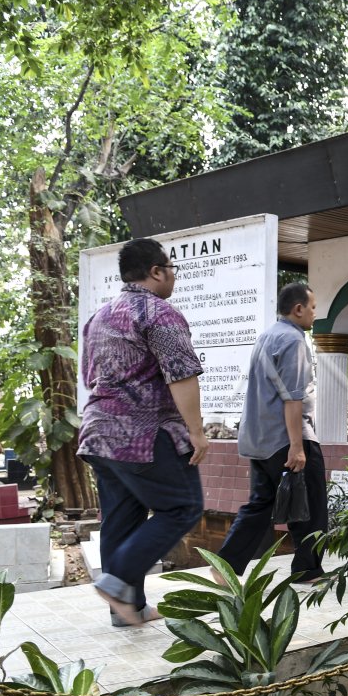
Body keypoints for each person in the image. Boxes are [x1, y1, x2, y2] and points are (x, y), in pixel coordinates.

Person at [78, 238, 208, 627]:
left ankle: (128, 609)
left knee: (121, 516)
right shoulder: (159, 313)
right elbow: (181, 375)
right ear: (156, 271)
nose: (173, 276)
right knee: (184, 506)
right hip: (143, 434)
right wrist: (197, 433)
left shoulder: (98, 318)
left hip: (98, 434)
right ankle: (117, 581)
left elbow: (89, 376)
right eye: (171, 269)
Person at [216, 282, 328, 583]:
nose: (315, 314)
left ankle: (224, 566)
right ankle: (308, 570)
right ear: (299, 309)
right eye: (313, 307)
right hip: (286, 437)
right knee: (313, 504)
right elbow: (292, 398)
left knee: (261, 504)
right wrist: (297, 446)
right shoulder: (294, 340)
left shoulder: (266, 336)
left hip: (257, 438)